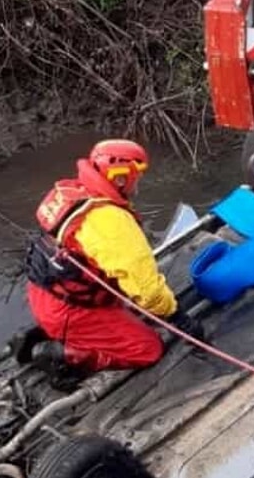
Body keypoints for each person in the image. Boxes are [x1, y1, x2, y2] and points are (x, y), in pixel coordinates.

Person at [24, 139, 178, 372]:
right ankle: (65, 356)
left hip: (48, 295)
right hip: (71, 311)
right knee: (148, 349)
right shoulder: (108, 221)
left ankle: (63, 333)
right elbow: (147, 291)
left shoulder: (77, 193)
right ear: (120, 176)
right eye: (137, 175)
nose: (138, 182)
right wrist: (174, 315)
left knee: (128, 308)